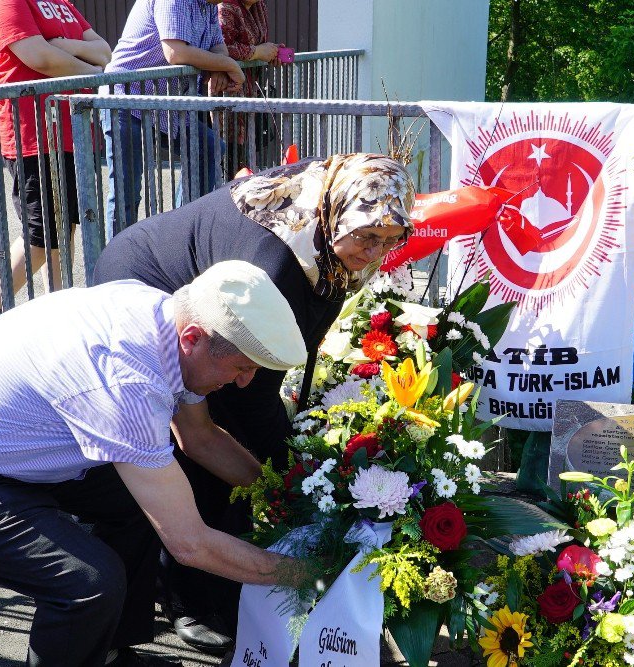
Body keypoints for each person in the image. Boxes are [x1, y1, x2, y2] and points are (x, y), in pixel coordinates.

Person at [0, 260, 308, 667]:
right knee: (87, 585)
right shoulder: (127, 379)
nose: (245, 381)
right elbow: (189, 544)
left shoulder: (161, 314)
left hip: (2, 448)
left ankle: (106, 652)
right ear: (193, 338)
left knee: (145, 503)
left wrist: (288, 499)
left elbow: (199, 438)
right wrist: (307, 575)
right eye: (241, 367)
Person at [93, 153, 415, 653]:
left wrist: (290, 469)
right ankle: (188, 601)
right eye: (368, 237)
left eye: (391, 241)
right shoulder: (278, 260)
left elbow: (304, 333)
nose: (376, 252)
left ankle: (212, 586)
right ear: (339, 216)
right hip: (150, 282)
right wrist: (293, 475)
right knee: (192, 451)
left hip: (222, 300)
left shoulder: (332, 227)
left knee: (226, 447)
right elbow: (254, 395)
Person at [0, 0, 112, 337]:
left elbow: (103, 49)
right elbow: (39, 58)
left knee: (66, 227)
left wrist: (61, 47)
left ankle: (59, 312)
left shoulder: (59, 2)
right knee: (42, 234)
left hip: (71, 133)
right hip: (32, 133)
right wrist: (91, 71)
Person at [103, 0, 246, 240]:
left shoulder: (209, 6)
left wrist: (221, 66)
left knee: (209, 147)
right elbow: (176, 52)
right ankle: (116, 268)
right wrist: (228, 64)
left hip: (168, 103)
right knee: (126, 193)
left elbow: (218, 47)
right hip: (127, 99)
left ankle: (179, 239)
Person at [217, 0, 282, 169]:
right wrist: (257, 52)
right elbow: (221, 48)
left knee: (239, 158)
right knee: (217, 157)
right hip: (223, 89)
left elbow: (257, 43)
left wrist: (271, 52)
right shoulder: (225, 6)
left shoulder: (258, 6)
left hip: (248, 91)